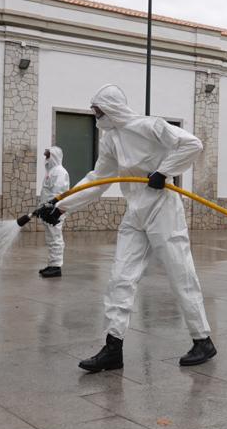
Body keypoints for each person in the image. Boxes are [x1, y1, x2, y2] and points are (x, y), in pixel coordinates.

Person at [38, 84, 217, 371]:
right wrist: (61, 207)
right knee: (120, 277)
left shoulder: (151, 126)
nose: (96, 117)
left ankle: (202, 339)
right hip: (135, 213)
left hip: (163, 208)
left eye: (98, 111)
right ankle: (113, 347)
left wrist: (164, 171)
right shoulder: (110, 141)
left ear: (111, 109)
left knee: (180, 274)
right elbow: (98, 178)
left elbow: (192, 144)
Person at [38, 145, 70, 278]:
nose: (46, 158)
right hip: (48, 210)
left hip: (55, 211)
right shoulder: (51, 172)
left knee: (55, 237)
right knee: (51, 238)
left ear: (54, 156)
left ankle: (56, 267)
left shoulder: (60, 172)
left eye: (48, 155)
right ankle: (52, 264)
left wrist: (51, 209)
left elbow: (58, 193)